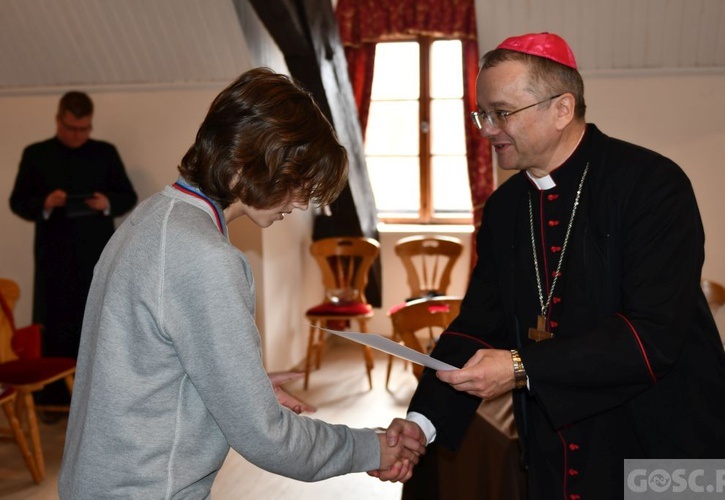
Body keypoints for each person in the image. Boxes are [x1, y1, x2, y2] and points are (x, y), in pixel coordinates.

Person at [382, 32, 725, 498]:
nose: (486, 129)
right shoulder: (506, 208)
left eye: (501, 113)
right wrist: (422, 423)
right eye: (481, 114)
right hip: (556, 441)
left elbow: (652, 335)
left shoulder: (653, 184)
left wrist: (521, 365)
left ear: (562, 109)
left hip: (666, 438)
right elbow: (478, 326)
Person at [58, 67, 424, 498]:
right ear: (254, 160)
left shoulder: (150, 217)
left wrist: (234, 384)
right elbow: (266, 438)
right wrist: (371, 448)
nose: (302, 201)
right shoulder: (205, 257)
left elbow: (138, 366)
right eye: (298, 181)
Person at [9, 91, 137, 409]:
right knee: (53, 329)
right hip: (53, 259)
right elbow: (18, 202)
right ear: (58, 120)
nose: (78, 135)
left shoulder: (104, 153)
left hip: (95, 255)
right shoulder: (36, 153)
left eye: (84, 129)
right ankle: (52, 401)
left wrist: (106, 203)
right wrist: (45, 204)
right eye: (71, 128)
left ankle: (96, 402)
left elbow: (127, 196)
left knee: (96, 326)